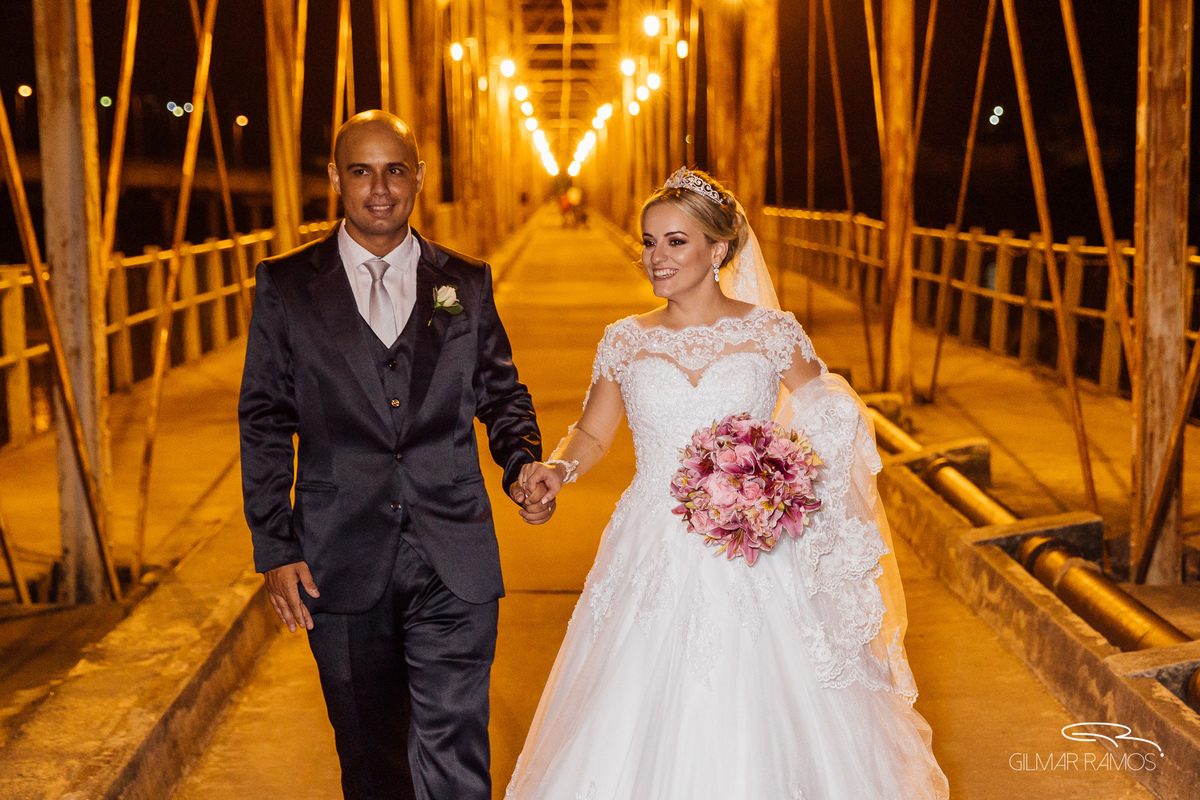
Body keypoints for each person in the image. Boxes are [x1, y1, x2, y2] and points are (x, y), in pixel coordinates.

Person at [506, 168, 949, 799]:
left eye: (675, 241)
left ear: (718, 250)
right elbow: (595, 434)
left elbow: (831, 407)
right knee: (632, 700)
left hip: (756, 547)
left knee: (765, 700)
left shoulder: (770, 332)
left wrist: (783, 472)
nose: (656, 257)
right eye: (649, 240)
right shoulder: (625, 339)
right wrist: (557, 468)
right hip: (650, 541)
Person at [238, 109, 550, 800]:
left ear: (418, 177)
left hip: (453, 553)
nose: (380, 188)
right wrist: (275, 545)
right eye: (361, 171)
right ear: (335, 179)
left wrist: (521, 461)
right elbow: (263, 419)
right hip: (337, 557)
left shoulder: (463, 282)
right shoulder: (286, 285)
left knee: (455, 755)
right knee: (371, 763)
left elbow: (500, 393)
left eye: (395, 170)